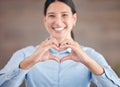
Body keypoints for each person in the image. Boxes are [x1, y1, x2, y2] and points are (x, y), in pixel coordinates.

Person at [0, 0, 120, 87]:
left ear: (74, 19)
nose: (58, 22)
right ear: (45, 20)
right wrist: (30, 61)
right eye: (52, 15)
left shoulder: (90, 55)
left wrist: (88, 62)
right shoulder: (25, 54)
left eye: (64, 15)